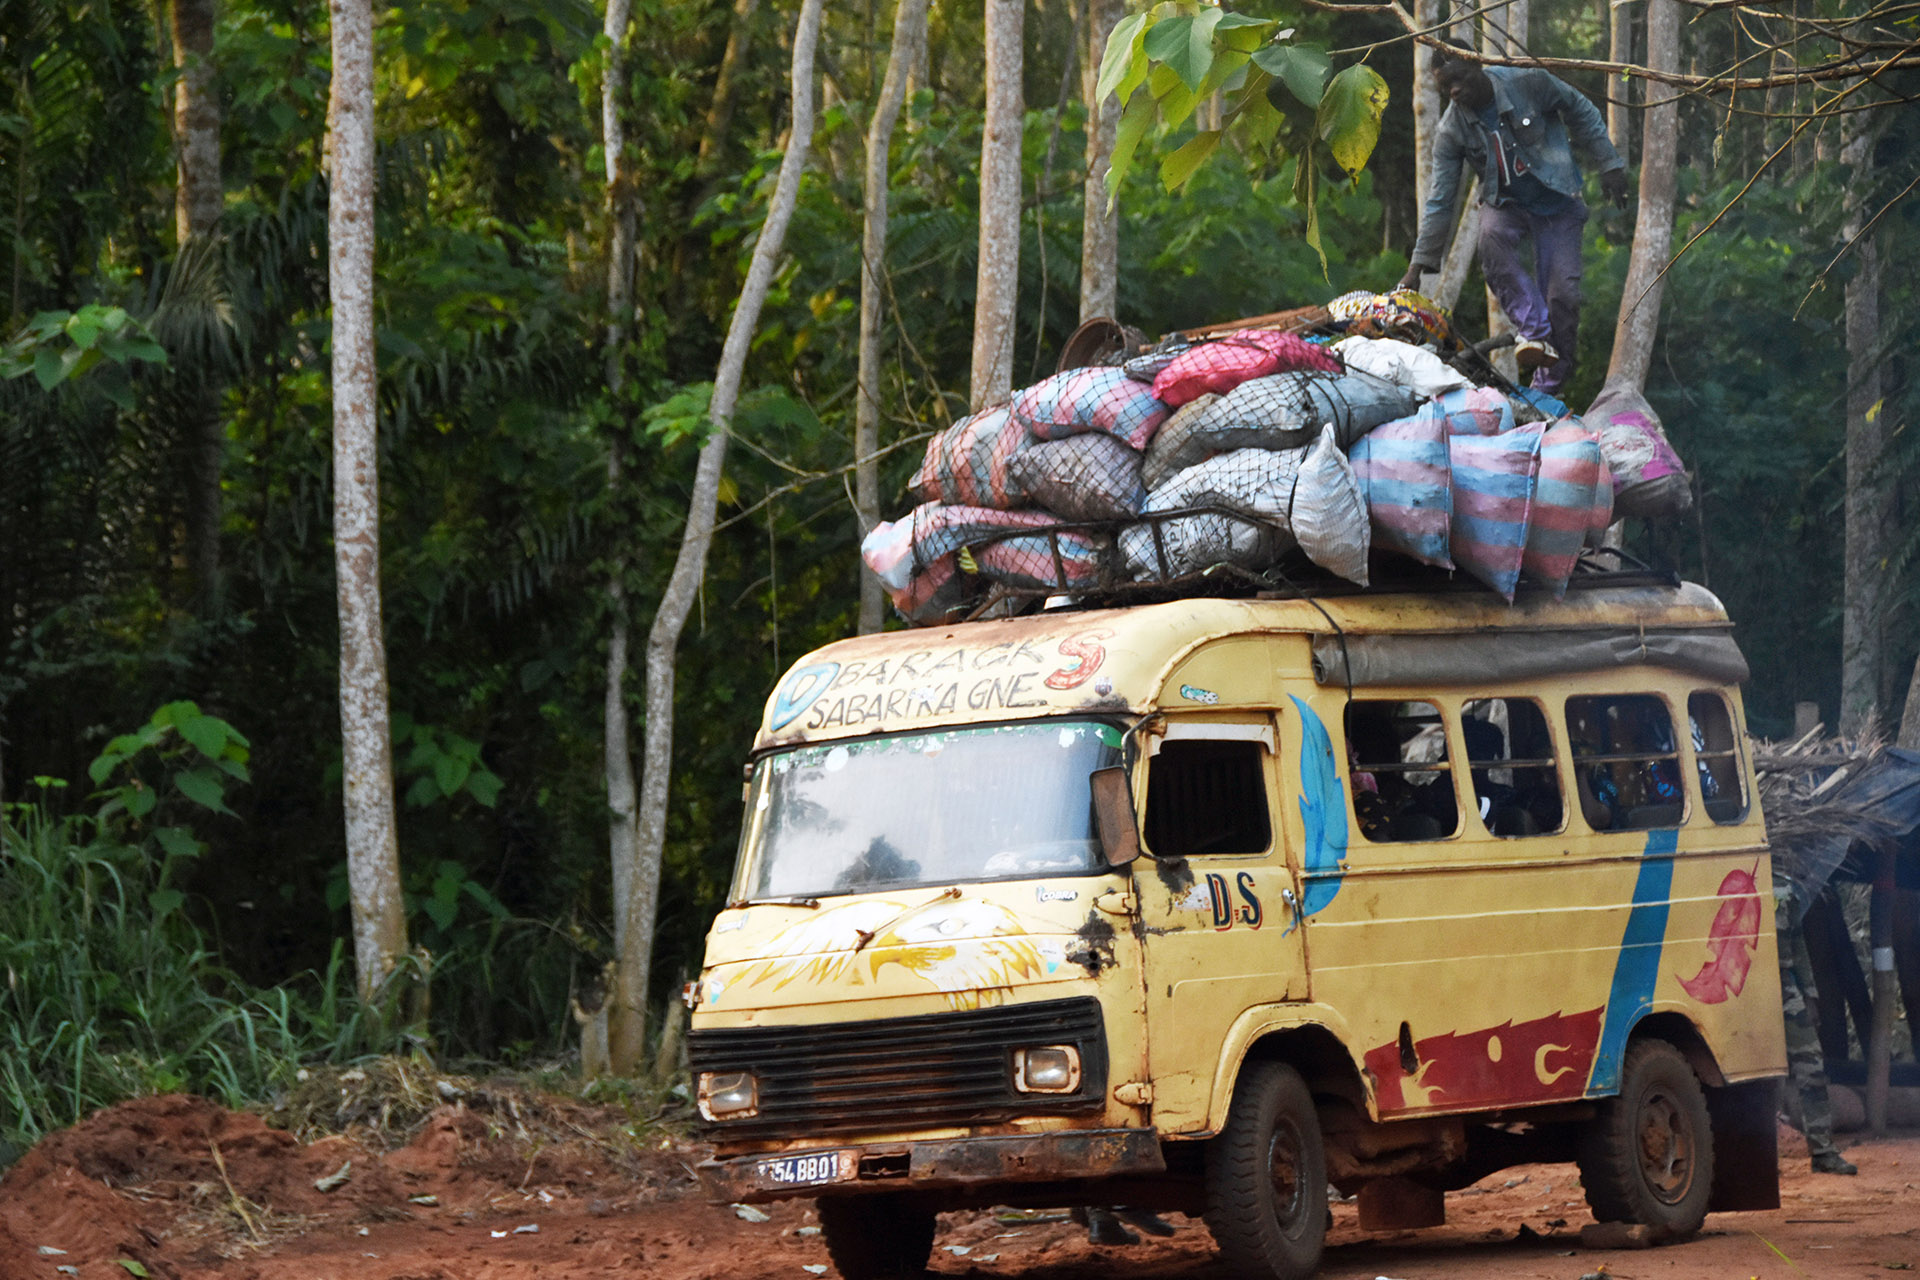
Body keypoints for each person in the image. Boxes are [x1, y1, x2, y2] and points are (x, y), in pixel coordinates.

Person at [1397, 42, 1630, 396]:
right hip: (1504, 203)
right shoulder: (1451, 130)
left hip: (1556, 200)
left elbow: (1578, 106)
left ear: (1477, 64)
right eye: (1445, 87)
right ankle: (1533, 333)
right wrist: (1418, 266)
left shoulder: (1528, 82)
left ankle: (1549, 389)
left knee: (1563, 295)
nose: (1454, 91)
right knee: (1489, 237)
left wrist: (1610, 163)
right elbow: (1440, 200)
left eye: (1458, 80)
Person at [1776, 881, 1858, 1175]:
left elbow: (1798, 945)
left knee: (1811, 1065)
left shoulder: (1785, 889)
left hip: (1784, 986)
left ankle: (1823, 1152)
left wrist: (1809, 994)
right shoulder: (1726, 878)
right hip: (1740, 983)